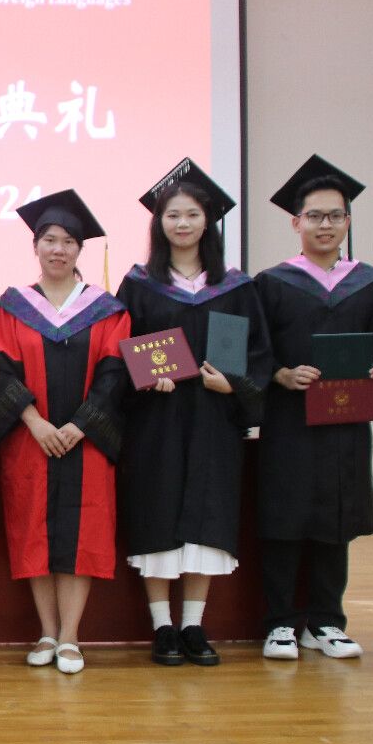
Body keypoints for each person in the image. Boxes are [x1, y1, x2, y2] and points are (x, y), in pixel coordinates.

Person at [116, 159, 272, 667]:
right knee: (158, 513)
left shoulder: (237, 287)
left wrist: (235, 385)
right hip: (156, 421)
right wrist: (143, 378)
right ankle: (162, 626)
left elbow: (259, 356)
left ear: (208, 221)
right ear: (158, 223)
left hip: (212, 419)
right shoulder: (140, 284)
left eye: (191, 214)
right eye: (172, 215)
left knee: (208, 515)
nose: (182, 223)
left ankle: (193, 625)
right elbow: (118, 349)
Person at [0, 190, 128, 674]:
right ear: (36, 246)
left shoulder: (108, 309)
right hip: (32, 438)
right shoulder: (11, 307)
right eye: (49, 240)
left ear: (80, 249)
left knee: (82, 532)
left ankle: (70, 637)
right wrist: (36, 422)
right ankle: (47, 631)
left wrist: (80, 426)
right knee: (35, 532)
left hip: (86, 441)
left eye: (68, 241)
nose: (58, 249)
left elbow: (113, 374)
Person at [255, 156, 373, 661]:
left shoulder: (371, 283)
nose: (325, 225)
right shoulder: (271, 283)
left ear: (347, 222)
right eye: (314, 216)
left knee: (336, 520)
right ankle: (280, 623)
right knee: (285, 518)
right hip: (289, 421)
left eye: (335, 215)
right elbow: (256, 351)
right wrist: (281, 375)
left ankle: (327, 621)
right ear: (297, 223)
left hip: (344, 423)